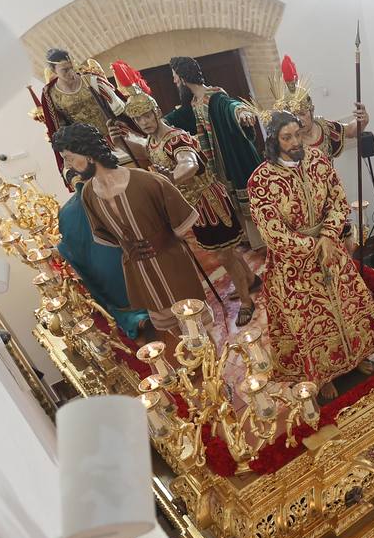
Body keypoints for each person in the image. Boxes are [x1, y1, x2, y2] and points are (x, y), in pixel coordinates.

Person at [245, 112, 374, 395]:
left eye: (298, 134)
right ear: (273, 141)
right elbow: (272, 232)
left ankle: (356, 357)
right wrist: (313, 247)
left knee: (349, 308)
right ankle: (323, 376)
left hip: (331, 250)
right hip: (294, 266)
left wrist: (327, 237)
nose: (295, 141)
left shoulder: (317, 160)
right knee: (312, 324)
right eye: (287, 138)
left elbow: (337, 199)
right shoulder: (260, 180)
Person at [114, 90, 260, 326]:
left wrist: (171, 178)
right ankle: (251, 279)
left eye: (147, 116)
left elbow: (188, 163)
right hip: (194, 206)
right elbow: (143, 148)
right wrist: (120, 139)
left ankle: (246, 301)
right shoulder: (153, 140)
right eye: (139, 119)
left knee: (224, 254)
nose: (144, 123)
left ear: (156, 112)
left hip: (209, 202)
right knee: (227, 251)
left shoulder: (175, 138)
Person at [52, 123, 210, 335]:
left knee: (197, 327)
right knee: (171, 329)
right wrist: (128, 247)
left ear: (88, 153)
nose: (68, 165)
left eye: (69, 157)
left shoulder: (148, 181)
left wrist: (162, 239)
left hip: (172, 265)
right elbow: (104, 234)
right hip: (140, 274)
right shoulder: (89, 194)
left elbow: (182, 224)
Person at [164, 56, 266, 248]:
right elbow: (179, 117)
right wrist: (159, 124)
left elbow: (230, 106)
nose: (174, 81)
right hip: (219, 163)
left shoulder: (215, 96)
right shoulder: (195, 102)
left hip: (232, 156)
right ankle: (251, 240)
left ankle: (264, 240)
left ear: (184, 79)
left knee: (251, 202)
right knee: (233, 201)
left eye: (175, 77)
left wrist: (241, 113)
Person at [55, 190, 150, 340]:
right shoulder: (109, 194)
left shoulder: (67, 213)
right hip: (135, 276)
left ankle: (134, 316)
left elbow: (76, 259)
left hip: (111, 286)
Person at [39, 49, 133, 187]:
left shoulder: (89, 79)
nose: (71, 73)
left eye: (72, 67)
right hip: (86, 147)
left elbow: (118, 106)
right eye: (65, 70)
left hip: (114, 136)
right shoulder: (50, 93)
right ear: (54, 70)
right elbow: (58, 128)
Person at [272, 54, 369, 160]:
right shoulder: (288, 144)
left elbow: (350, 130)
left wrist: (361, 120)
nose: (299, 120)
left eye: (302, 113)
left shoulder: (324, 127)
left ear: (311, 110)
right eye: (294, 117)